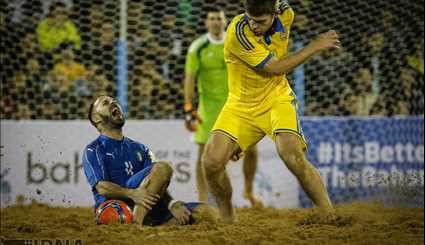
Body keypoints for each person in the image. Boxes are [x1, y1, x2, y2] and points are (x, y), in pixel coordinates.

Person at [202, 0, 340, 223]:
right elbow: (274, 68)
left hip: (277, 99)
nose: (254, 25)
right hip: (240, 106)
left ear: (275, 13)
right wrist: (315, 45)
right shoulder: (237, 32)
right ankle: (228, 216)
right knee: (211, 162)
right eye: (250, 19)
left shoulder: (286, 13)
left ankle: (329, 214)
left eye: (261, 21)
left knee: (292, 155)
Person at [82, 95, 217, 226]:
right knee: (164, 167)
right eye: (105, 103)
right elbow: (102, 187)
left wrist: (171, 203)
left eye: (114, 100)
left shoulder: (140, 148)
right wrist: (133, 194)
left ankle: (145, 224)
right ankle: (136, 224)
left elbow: (157, 181)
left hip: (149, 207)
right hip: (118, 210)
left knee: (207, 213)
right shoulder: (93, 150)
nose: (113, 102)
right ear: (96, 118)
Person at [183, 7, 261, 206]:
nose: (216, 21)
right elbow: (190, 79)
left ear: (225, 21)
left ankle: (248, 192)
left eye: (219, 18)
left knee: (251, 150)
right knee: (203, 155)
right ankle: (202, 200)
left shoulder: (236, 42)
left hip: (238, 107)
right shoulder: (197, 47)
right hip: (208, 110)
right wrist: (188, 107)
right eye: (212, 18)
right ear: (206, 23)